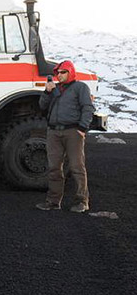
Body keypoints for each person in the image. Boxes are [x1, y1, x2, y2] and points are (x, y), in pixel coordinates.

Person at [36, 60, 94, 213]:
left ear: (70, 72)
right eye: (57, 73)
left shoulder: (80, 87)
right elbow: (42, 106)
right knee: (54, 168)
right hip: (54, 132)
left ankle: (82, 201)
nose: (59, 75)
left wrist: (82, 128)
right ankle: (53, 202)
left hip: (72, 131)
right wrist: (47, 92)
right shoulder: (54, 89)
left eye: (63, 72)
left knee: (77, 167)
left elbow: (88, 107)